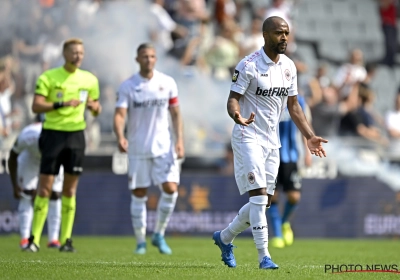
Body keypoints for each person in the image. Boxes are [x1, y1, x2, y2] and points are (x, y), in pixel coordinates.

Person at [212, 16, 328, 270]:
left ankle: (224, 238)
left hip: (272, 142)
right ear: (265, 35)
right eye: (278, 33)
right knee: (258, 197)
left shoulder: (289, 66)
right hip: (247, 136)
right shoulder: (248, 65)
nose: (284, 37)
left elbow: (294, 106)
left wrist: (309, 135)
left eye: (286, 33)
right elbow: (233, 99)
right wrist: (237, 115)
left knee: (262, 202)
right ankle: (264, 256)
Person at [24, 38, 102, 252]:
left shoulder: (89, 80)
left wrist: (95, 108)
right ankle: (34, 239)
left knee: (69, 189)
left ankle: (66, 240)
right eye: (74, 52)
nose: (78, 56)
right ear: (64, 54)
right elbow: (36, 106)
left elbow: (96, 107)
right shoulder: (49, 77)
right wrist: (61, 104)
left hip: (76, 136)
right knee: (45, 187)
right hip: (53, 135)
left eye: (81, 53)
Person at [113, 43, 184, 255]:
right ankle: (140, 241)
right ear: (137, 59)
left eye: (152, 56)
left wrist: (180, 140)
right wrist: (120, 136)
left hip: (164, 146)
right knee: (139, 193)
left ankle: (159, 234)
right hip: (138, 148)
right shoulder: (128, 86)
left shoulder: (167, 82)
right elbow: (119, 115)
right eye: (145, 56)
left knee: (171, 189)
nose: (149, 60)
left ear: (156, 59)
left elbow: (176, 113)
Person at [8, 115, 64, 249]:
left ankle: (53, 239)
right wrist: (15, 185)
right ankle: (25, 238)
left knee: (55, 194)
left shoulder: (60, 136)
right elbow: (12, 157)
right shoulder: (28, 135)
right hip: (31, 157)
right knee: (27, 193)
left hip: (53, 158)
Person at [267, 94, 312, 249]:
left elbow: (305, 124)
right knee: (272, 196)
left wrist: (307, 152)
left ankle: (284, 221)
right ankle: (278, 235)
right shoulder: (269, 95)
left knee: (294, 197)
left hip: (291, 156)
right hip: (271, 155)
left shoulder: (299, 100)